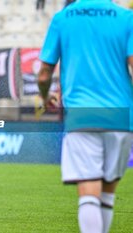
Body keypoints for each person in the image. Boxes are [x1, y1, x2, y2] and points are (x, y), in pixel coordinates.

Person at [37, 1, 133, 233]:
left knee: (89, 191)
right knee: (107, 193)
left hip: (81, 114)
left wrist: (45, 96)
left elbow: (43, 75)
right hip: (120, 116)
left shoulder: (63, 18)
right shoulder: (126, 18)